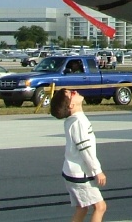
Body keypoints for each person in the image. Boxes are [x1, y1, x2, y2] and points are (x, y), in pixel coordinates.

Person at [51, 89, 107, 222]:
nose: (75, 91)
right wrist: (97, 171)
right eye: (71, 94)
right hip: (80, 175)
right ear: (71, 105)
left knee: (82, 208)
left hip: (71, 173)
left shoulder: (72, 120)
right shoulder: (79, 122)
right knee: (100, 207)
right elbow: (85, 149)